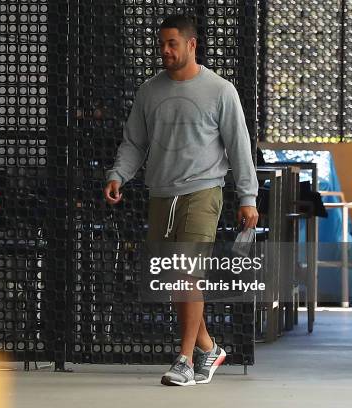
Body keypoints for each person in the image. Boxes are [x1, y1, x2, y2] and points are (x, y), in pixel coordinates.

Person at [103, 14, 259, 386]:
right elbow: (135, 142)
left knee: (188, 273)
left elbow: (239, 145)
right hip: (161, 194)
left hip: (203, 192)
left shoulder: (220, 90)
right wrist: (117, 174)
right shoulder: (149, 91)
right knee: (174, 280)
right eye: (162, 44)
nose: (165, 51)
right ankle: (209, 347)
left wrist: (247, 196)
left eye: (172, 44)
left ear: (191, 45)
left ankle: (185, 359)